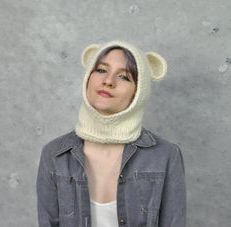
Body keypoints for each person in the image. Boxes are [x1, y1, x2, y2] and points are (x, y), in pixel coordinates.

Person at [36, 40, 186, 227]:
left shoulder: (166, 155)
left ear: (138, 93)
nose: (108, 81)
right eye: (100, 70)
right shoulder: (54, 154)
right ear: (88, 78)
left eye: (124, 77)